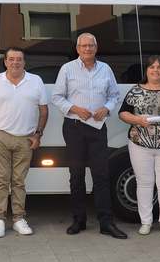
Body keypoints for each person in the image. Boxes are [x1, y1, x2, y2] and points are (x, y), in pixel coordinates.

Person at [51, 33, 127, 239]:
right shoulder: (67, 69)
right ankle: (79, 220)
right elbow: (56, 97)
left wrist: (107, 108)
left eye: (91, 45)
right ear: (77, 49)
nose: (87, 49)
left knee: (101, 175)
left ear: (96, 47)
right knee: (76, 176)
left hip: (97, 128)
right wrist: (74, 108)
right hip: (74, 127)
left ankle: (106, 222)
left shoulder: (106, 69)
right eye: (83, 46)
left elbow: (115, 96)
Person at [0, 47, 49, 238]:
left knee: (18, 181)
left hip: (26, 139)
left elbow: (43, 110)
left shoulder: (35, 81)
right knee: (1, 179)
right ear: (5, 62)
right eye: (11, 59)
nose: (15, 62)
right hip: (0, 136)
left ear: (24, 62)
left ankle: (18, 219)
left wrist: (38, 135)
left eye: (19, 59)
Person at [118, 55, 160, 236]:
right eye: (152, 67)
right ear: (146, 71)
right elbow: (123, 113)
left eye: (159, 67)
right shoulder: (135, 91)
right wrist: (137, 120)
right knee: (144, 184)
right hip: (140, 144)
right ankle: (146, 222)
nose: (155, 70)